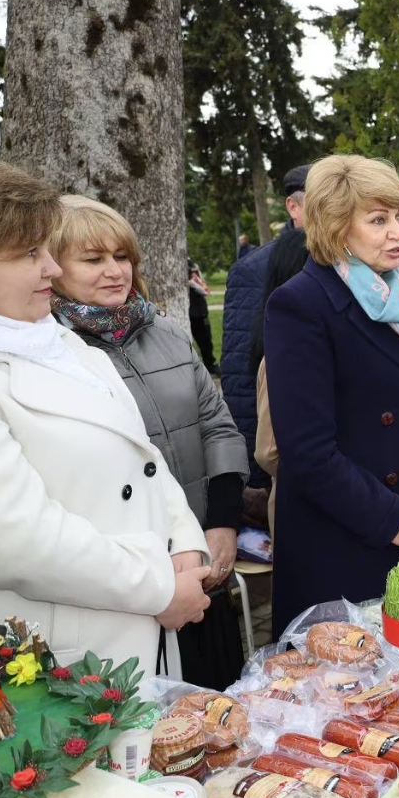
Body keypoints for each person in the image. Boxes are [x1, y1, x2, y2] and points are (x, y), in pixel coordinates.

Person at [0, 160, 210, 676]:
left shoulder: (61, 342)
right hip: (55, 661)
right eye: (29, 253)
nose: (51, 267)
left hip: (141, 631)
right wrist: (159, 585)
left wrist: (185, 545)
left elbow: (145, 459)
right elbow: (19, 541)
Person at [263, 155, 399, 636]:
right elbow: (307, 451)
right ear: (336, 228)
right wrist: (396, 523)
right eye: (378, 220)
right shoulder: (300, 303)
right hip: (346, 539)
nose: (398, 232)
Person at [51, 195, 248, 689]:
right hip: (123, 584)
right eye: (93, 259)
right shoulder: (53, 355)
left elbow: (217, 426)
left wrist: (222, 524)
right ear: (52, 267)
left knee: (218, 706)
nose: (114, 271)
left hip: (201, 558)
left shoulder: (166, 332)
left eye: (122, 257)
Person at [221, 164, 310, 490]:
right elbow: (242, 376)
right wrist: (256, 481)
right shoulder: (255, 270)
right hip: (280, 460)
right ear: (293, 207)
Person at [186, 260, 217, 374]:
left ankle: (210, 364)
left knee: (206, 340)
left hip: (199, 311)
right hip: (190, 311)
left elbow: (202, 286)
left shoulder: (192, 264)